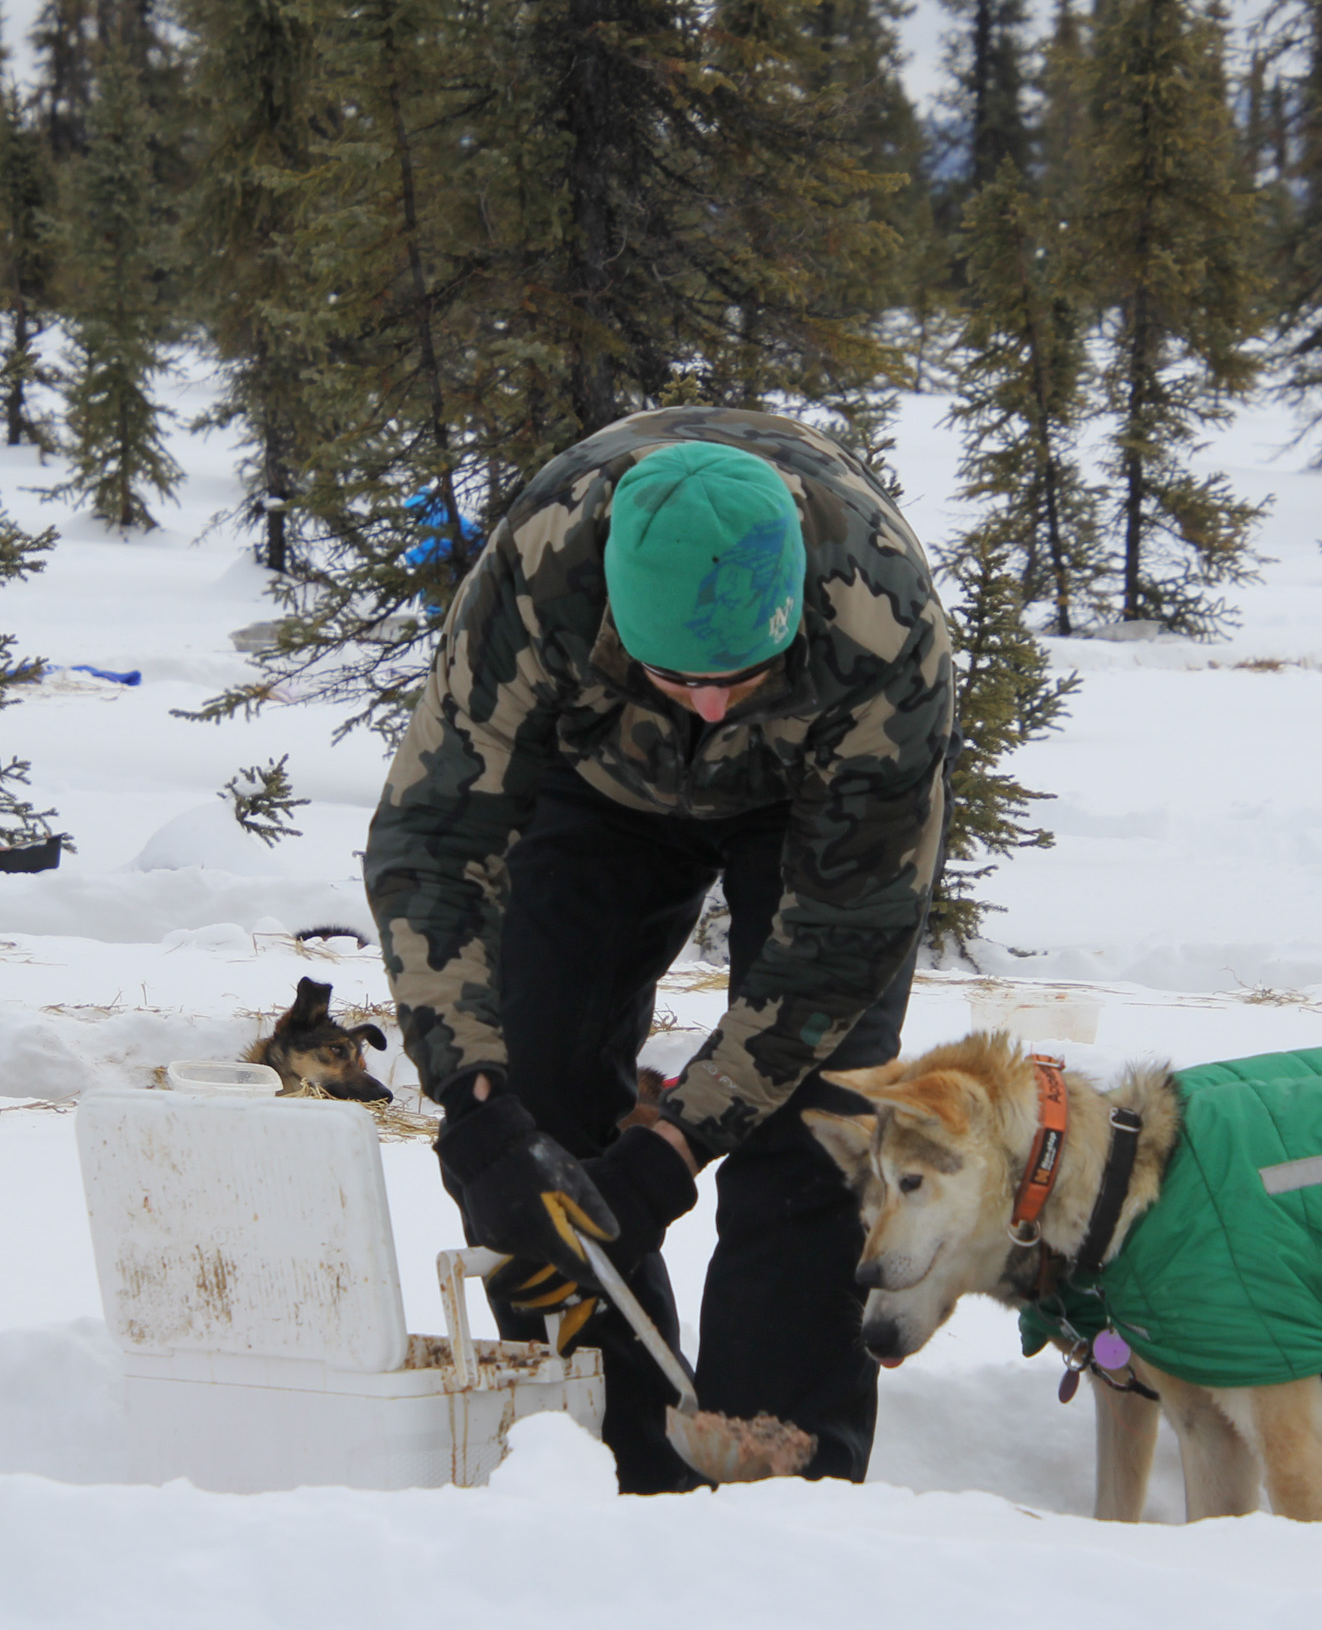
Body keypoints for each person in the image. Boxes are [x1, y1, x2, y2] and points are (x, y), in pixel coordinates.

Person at [364, 407, 954, 1492]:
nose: (718, 703)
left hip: (807, 806)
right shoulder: (542, 577)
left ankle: (779, 1480)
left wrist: (671, 1149)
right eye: (686, 676)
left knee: (816, 1123)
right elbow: (433, 841)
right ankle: (609, 1461)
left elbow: (835, 944)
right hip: (600, 787)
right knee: (536, 1095)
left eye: (745, 670)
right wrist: (474, 1095)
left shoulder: (882, 630)